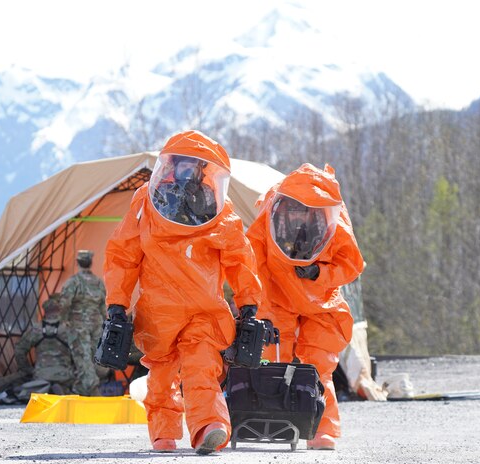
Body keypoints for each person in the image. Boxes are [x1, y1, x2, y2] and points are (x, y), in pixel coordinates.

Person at [104, 130, 262, 454]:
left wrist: (249, 303)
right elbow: (124, 255)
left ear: (206, 171)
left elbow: (239, 258)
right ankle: (164, 434)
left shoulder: (219, 208)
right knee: (161, 372)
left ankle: (209, 427)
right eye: (183, 164)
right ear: (171, 165)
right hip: (159, 310)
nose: (189, 172)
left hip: (202, 310)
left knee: (202, 364)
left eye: (196, 166)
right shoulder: (145, 203)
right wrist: (117, 304)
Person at [246, 163, 365, 451]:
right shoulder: (269, 210)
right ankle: (275, 424)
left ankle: (321, 430)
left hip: (320, 301)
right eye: (296, 209)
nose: (301, 215)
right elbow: (252, 259)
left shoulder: (333, 215)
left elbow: (351, 264)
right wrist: (254, 301)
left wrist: (319, 273)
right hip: (277, 297)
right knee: (274, 362)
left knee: (318, 366)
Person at [60, 250, 107, 396]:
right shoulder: (99, 282)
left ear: (77, 263)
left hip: (79, 324)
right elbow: (103, 305)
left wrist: (64, 319)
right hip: (96, 323)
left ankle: (92, 388)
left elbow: (65, 302)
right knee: (94, 356)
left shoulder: (73, 282)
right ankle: (81, 388)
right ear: (91, 263)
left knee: (83, 356)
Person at [14, 294, 78, 395]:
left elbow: (19, 350)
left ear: (45, 311)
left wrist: (28, 369)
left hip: (41, 374)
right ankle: (62, 390)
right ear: (60, 311)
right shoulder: (69, 329)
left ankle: (45, 388)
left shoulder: (36, 329)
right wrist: (75, 370)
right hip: (64, 374)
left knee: (36, 385)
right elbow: (83, 352)